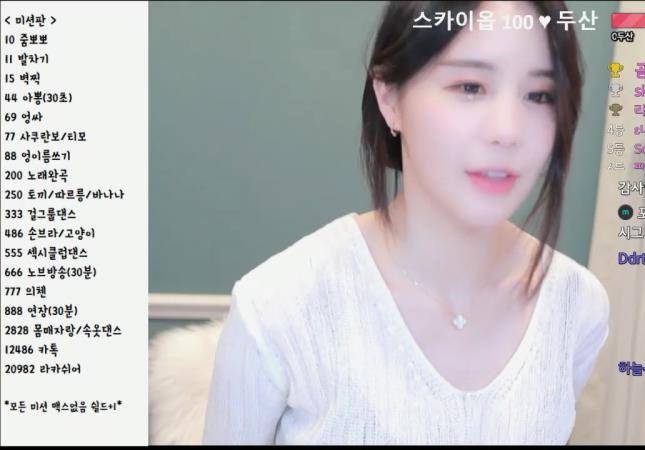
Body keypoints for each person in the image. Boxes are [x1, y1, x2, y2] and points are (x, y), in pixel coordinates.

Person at [202, 0, 609, 444]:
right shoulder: (280, 305)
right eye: (470, 87)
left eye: (540, 95)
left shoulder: (576, 304)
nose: (507, 131)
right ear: (390, 98)